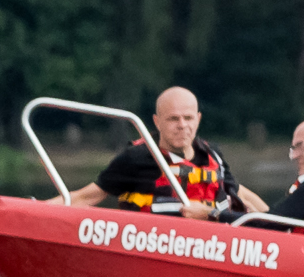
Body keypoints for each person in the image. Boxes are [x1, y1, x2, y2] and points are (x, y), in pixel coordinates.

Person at [77, 86, 250, 217]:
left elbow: (240, 193)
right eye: (173, 119)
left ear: (198, 120)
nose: (182, 125)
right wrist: (48, 212)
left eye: (188, 118)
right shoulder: (137, 158)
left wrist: (271, 219)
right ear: (157, 122)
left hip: (210, 246)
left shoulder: (213, 156)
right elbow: (85, 197)